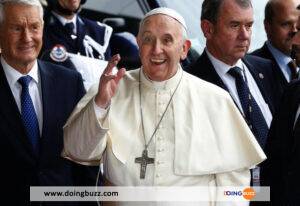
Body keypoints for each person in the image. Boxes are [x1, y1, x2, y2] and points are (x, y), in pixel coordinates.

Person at [62, 7, 266, 205]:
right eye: (148, 39)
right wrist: (100, 105)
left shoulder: (216, 100)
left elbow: (234, 183)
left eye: (167, 40)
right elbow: (78, 151)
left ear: (184, 49)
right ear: (138, 44)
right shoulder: (110, 89)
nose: (156, 49)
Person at [0, 0, 86, 205]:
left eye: (34, 27)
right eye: (16, 28)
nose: (27, 37)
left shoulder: (70, 82)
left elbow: (84, 158)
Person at [187, 0, 277, 188]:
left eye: (249, 26)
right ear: (208, 29)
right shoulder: (188, 83)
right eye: (234, 25)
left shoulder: (266, 69)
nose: (245, 36)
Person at [262, 4, 300, 205]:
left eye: (299, 30)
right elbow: (272, 173)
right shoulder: (293, 92)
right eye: (287, 26)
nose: (294, 40)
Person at [251, 0, 300, 100]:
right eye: (286, 24)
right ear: (267, 26)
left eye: (299, 26)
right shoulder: (250, 67)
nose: (294, 30)